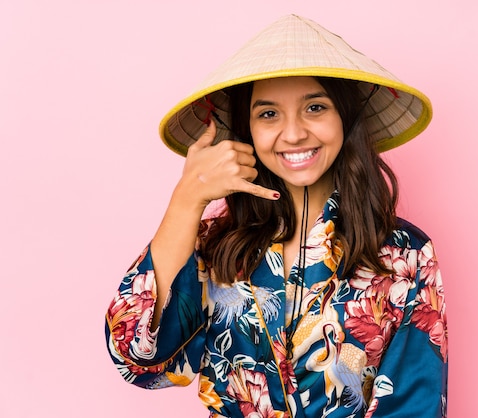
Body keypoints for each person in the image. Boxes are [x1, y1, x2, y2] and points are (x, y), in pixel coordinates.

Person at [105, 14, 448, 418]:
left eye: (315, 108)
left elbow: (415, 406)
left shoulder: (404, 254)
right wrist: (186, 200)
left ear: (345, 118)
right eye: (268, 114)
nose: (293, 133)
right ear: (246, 130)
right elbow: (137, 360)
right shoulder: (213, 247)